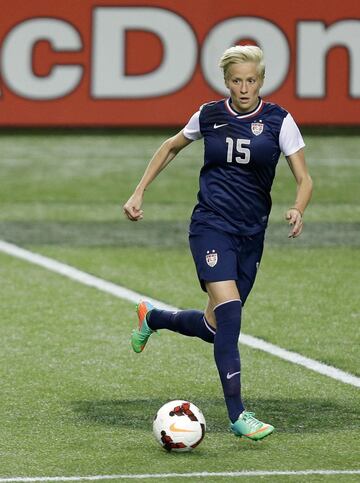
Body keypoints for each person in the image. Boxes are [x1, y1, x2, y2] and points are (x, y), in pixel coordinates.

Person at [123, 45, 313, 441]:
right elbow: (171, 146)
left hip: (251, 234)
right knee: (230, 315)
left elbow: (304, 178)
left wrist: (298, 207)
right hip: (210, 226)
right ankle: (238, 414)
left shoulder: (280, 120)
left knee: (213, 328)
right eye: (236, 81)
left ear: (261, 80)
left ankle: (152, 317)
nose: (244, 88)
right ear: (226, 82)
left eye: (251, 80)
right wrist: (139, 191)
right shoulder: (208, 115)